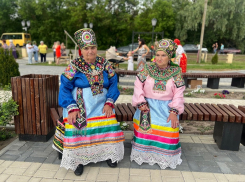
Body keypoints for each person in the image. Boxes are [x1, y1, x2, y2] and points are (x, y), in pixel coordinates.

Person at [52, 28, 125, 176]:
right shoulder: (74, 66)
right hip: (80, 103)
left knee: (109, 121)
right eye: (86, 48)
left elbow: (113, 83)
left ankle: (110, 154)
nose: (90, 51)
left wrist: (109, 102)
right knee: (77, 124)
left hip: (102, 103)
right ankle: (77, 159)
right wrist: (72, 107)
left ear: (96, 48)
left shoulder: (105, 64)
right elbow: (65, 87)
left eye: (93, 47)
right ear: (81, 50)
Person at [130, 39, 185, 169]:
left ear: (169, 57)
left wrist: (174, 112)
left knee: (169, 126)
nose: (159, 58)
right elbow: (138, 86)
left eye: (163, 55)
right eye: (158, 55)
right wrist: (141, 102)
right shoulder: (147, 69)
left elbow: (179, 93)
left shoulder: (176, 72)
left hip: (167, 108)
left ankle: (165, 157)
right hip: (147, 106)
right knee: (146, 124)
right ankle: (144, 154)